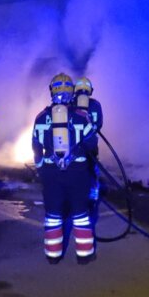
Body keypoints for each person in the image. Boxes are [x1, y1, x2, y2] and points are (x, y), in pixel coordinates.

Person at [32, 72, 98, 264]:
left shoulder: (41, 117)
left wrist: (40, 168)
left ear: (52, 91)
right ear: (72, 92)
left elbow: (36, 146)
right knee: (80, 214)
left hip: (51, 174)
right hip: (77, 173)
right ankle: (85, 256)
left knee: (53, 215)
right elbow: (92, 144)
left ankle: (53, 256)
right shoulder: (81, 116)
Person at [73, 76, 103, 203]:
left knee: (73, 166)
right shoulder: (96, 104)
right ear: (91, 90)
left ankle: (73, 190)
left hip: (74, 144)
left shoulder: (71, 103)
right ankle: (93, 191)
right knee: (92, 166)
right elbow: (100, 124)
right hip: (91, 144)